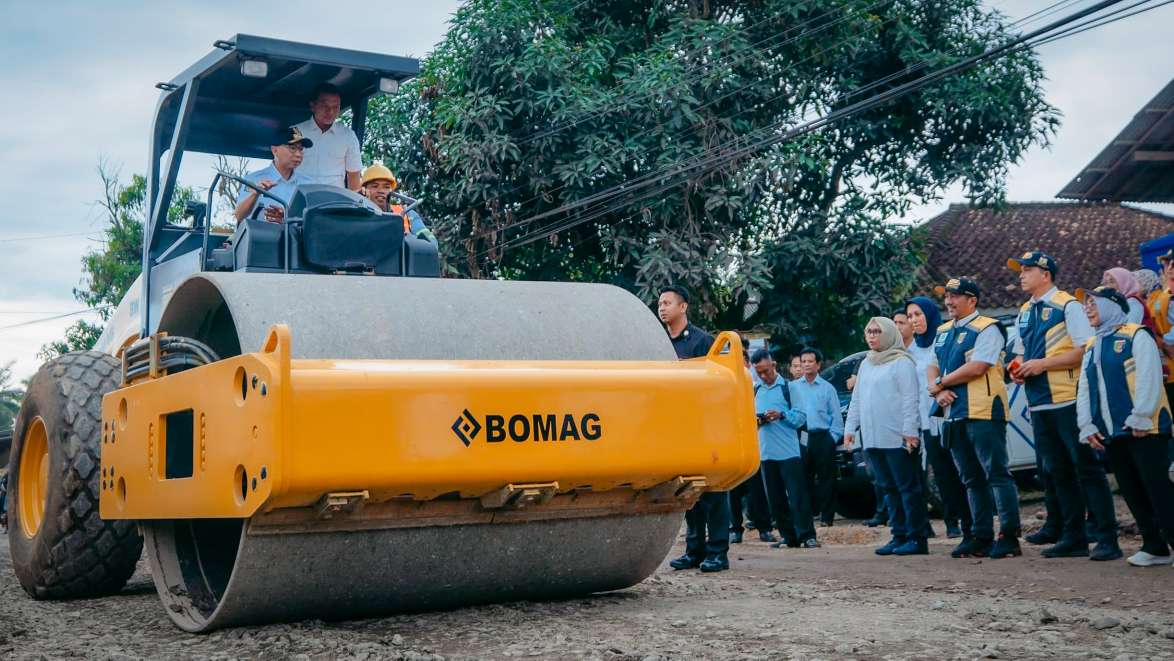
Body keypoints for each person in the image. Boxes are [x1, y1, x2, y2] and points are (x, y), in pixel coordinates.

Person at [1008, 251, 1120, 561]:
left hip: (1068, 398)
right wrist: (1016, 368)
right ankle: (1074, 536)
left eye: (1028, 269)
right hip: (1039, 402)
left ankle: (1107, 536)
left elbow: (1086, 349)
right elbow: (1018, 352)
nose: (1021, 274)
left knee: (1087, 469)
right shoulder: (1025, 310)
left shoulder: (1067, 305)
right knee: (1057, 473)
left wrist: (1042, 364)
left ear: (1046, 275)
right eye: (1021, 269)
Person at [1076, 286, 1174, 567]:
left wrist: (1141, 415)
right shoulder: (1094, 344)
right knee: (1132, 489)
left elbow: (1149, 377)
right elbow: (1085, 388)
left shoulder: (1135, 335)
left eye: (1094, 303)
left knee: (1159, 489)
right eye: (1087, 304)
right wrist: (1086, 424)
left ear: (1112, 306)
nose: (1088, 309)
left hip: (1146, 429)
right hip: (1113, 431)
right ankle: (1155, 547)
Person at [927, 278, 1021, 559]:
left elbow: (978, 366)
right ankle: (980, 535)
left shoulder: (988, 328)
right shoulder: (943, 331)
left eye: (956, 296)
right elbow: (931, 365)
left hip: (983, 409)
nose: (949, 301)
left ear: (972, 300)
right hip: (954, 413)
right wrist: (936, 390)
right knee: (970, 478)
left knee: (996, 473)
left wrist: (941, 383)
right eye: (947, 296)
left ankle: (1009, 536)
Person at [660, 285, 729, 573]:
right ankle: (694, 550)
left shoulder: (704, 343)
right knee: (689, 494)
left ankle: (718, 552)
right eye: (659, 303)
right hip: (675, 429)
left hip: (704, 428)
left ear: (683, 307)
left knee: (713, 491)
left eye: (667, 303)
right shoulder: (658, 343)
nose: (661, 308)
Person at [844, 317, 924, 555]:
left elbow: (911, 399)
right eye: (869, 331)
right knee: (887, 488)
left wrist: (910, 432)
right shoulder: (867, 363)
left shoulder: (902, 362)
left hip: (898, 438)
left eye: (877, 331)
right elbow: (857, 400)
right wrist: (850, 430)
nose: (872, 336)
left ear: (889, 333)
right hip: (873, 438)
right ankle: (898, 536)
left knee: (907, 489)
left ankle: (917, 538)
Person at [906, 297, 968, 540]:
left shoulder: (943, 341)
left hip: (948, 414)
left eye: (918, 314)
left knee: (959, 469)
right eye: (910, 316)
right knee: (940, 473)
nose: (914, 320)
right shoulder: (910, 351)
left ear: (930, 315)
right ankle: (951, 521)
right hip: (924, 420)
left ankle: (968, 520)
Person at [751, 349, 819, 549]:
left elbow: (800, 417)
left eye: (766, 371)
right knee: (775, 498)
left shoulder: (789, 388)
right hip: (766, 453)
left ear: (774, 365)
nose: (764, 376)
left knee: (797, 496)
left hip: (789, 452)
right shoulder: (755, 390)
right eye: (759, 373)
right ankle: (788, 536)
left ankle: (807, 535)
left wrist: (781, 415)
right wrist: (759, 419)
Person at [792, 347, 843, 528]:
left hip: (823, 437)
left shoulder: (828, 389)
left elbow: (836, 418)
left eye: (810, 361)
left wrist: (831, 438)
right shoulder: (793, 387)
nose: (806, 365)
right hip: (802, 436)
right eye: (803, 361)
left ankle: (827, 517)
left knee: (826, 478)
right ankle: (807, 516)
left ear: (818, 364)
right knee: (802, 477)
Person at [731, 337, 774, 544]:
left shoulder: (756, 387)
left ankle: (764, 528)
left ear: (747, 363)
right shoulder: (724, 385)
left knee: (756, 489)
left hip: (752, 444)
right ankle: (735, 529)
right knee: (732, 491)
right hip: (731, 444)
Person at [233, 126, 313, 223]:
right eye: (292, 148)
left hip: (295, 237)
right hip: (260, 236)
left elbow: (315, 221)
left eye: (301, 149)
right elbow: (239, 216)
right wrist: (255, 193)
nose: (298, 154)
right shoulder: (253, 179)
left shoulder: (309, 184)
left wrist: (287, 218)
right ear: (275, 150)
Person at [294, 83, 363, 190]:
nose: (330, 111)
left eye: (335, 107)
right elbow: (283, 169)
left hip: (332, 202)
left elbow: (354, 176)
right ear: (313, 105)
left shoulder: (348, 136)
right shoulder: (296, 132)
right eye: (325, 106)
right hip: (299, 198)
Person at [359, 163, 438, 244]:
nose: (381, 191)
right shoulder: (356, 216)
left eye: (386, 187)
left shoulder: (408, 214)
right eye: (375, 186)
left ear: (392, 191)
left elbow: (431, 243)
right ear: (364, 190)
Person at [1147, 250, 1174, 404]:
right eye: (1166, 264)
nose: (1169, 268)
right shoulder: (1166, 294)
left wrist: (1165, 341)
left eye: (1173, 264)